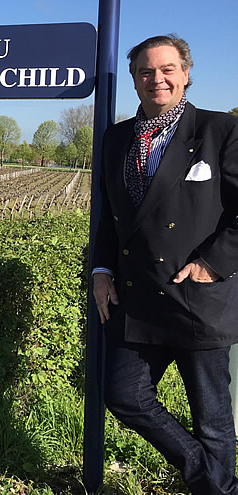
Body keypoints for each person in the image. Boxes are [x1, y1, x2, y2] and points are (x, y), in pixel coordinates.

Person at [92, 34, 238, 494]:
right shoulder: (116, 138)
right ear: (135, 80)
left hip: (197, 297)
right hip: (137, 298)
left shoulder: (220, 131)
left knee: (212, 420)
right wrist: (100, 271)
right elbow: (108, 215)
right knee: (124, 396)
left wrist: (212, 265)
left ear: (186, 74)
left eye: (167, 69)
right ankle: (215, 484)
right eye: (146, 71)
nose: (157, 79)